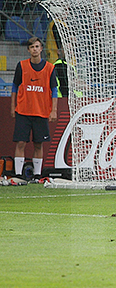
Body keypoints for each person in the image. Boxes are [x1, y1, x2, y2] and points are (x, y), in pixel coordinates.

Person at [10, 37, 58, 181]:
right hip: (23, 111)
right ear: (28, 50)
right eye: (32, 47)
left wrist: (54, 110)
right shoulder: (22, 66)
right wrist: (13, 106)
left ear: (41, 49)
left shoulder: (50, 68)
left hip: (41, 111)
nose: (35, 49)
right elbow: (14, 87)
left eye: (37, 46)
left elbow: (54, 90)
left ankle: (37, 175)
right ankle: (18, 174)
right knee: (20, 142)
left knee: (38, 143)